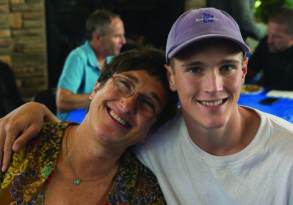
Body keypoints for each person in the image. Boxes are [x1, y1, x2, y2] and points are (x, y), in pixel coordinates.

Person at [1, 7, 293, 205]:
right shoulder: (20, 142)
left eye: (226, 67)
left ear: (243, 71)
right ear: (172, 76)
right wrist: (39, 113)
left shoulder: (142, 184)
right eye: (194, 69)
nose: (213, 86)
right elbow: (87, 140)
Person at [0, 48, 178, 204]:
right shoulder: (21, 139)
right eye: (124, 84)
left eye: (147, 103)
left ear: (151, 130)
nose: (127, 105)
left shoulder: (145, 194)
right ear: (96, 88)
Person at [56, 9, 126, 120]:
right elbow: (62, 102)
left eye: (122, 36)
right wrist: (102, 96)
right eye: (117, 36)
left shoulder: (112, 59)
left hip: (93, 120)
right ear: (98, 37)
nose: (123, 41)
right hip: (71, 124)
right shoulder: (78, 57)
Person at [247, 7, 293, 90]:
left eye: (277, 37)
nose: (269, 41)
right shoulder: (265, 43)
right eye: (268, 34)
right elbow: (249, 72)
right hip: (263, 96)